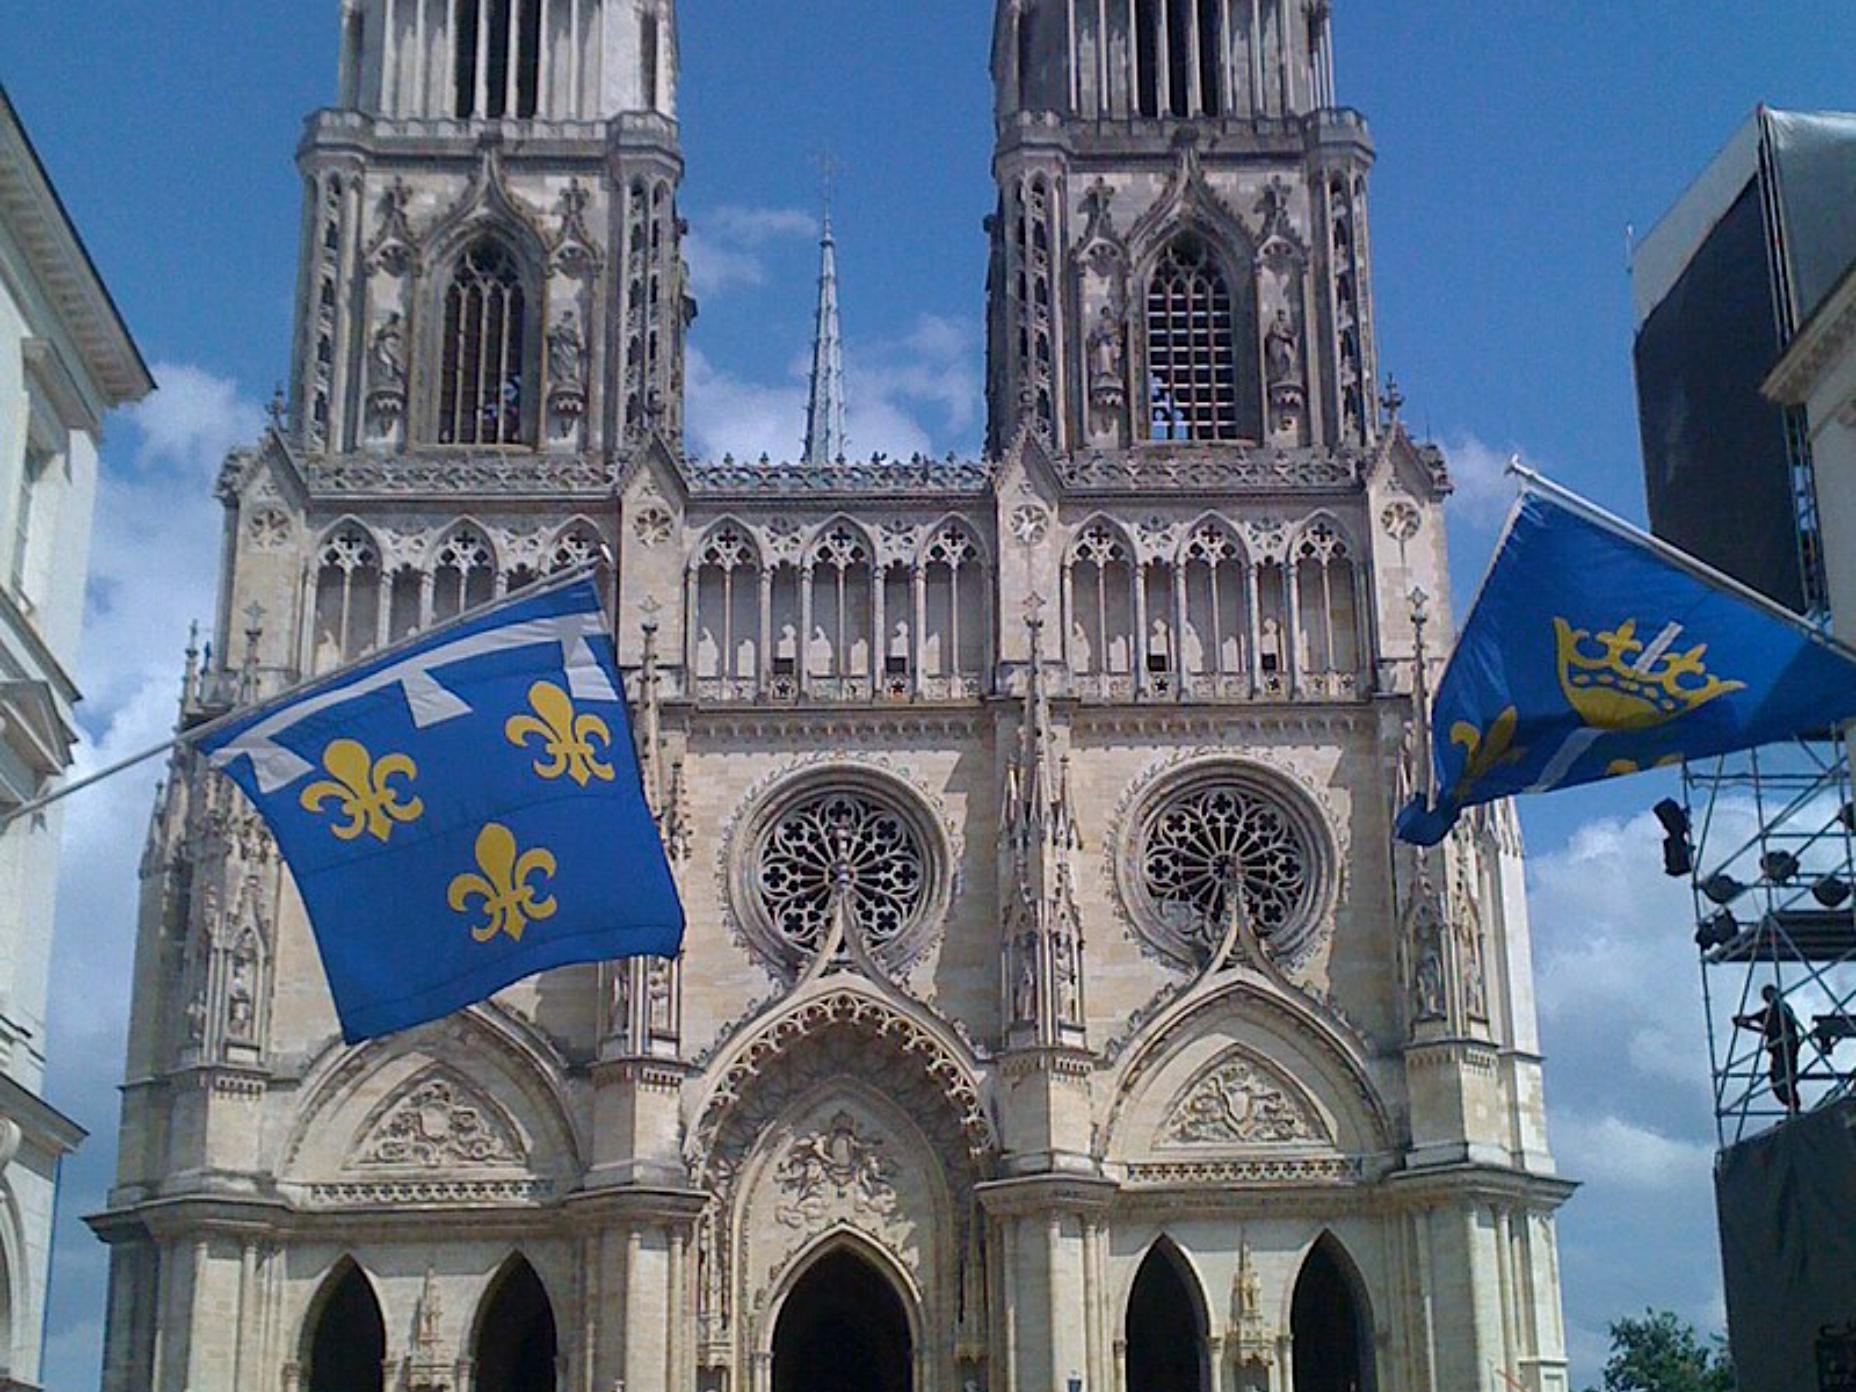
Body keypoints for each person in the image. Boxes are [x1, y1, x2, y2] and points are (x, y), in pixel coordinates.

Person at [1735, 985, 1805, 1111]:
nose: (1769, 998)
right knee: (1777, 1078)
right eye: (1767, 996)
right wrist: (1744, 1021)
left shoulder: (1783, 1008)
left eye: (1770, 994)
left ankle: (1794, 1106)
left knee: (1785, 1077)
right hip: (1778, 1049)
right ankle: (1792, 1106)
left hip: (1786, 1048)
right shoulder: (1770, 1011)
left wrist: (1747, 1021)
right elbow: (1759, 1023)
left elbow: (1786, 1028)